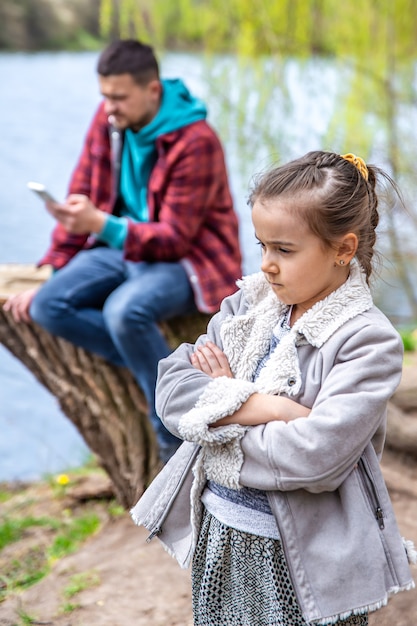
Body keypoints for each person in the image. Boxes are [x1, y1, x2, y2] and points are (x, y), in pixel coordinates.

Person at [131, 151, 416, 625]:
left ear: (343, 249)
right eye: (262, 245)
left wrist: (216, 415)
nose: (266, 265)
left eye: (284, 250)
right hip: (222, 535)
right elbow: (173, 388)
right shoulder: (251, 305)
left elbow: (315, 457)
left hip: (302, 554)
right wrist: (270, 408)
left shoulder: (366, 340)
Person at [4, 39, 242, 463]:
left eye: (119, 97)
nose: (109, 106)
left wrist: (101, 224)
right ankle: (154, 368)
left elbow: (174, 239)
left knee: (123, 312)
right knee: (47, 305)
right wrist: (52, 268)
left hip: (191, 261)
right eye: (104, 96)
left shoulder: (195, 141)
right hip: (123, 249)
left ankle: (172, 432)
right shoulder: (109, 120)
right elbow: (82, 196)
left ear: (152, 91)